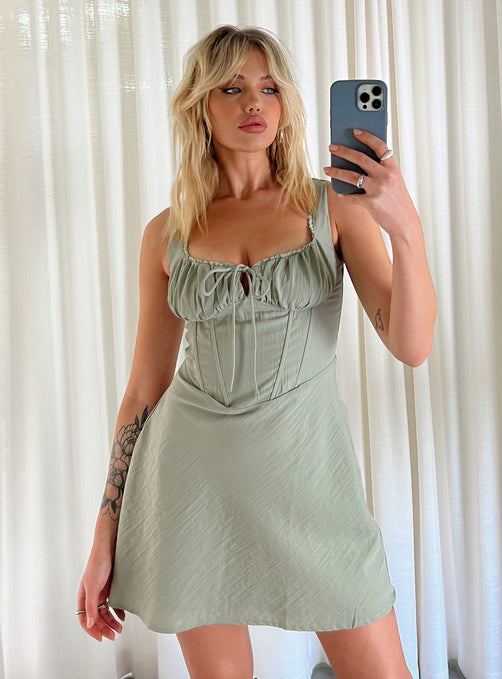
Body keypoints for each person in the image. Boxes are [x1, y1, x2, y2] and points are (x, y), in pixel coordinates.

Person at [77, 25, 436, 679]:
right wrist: (105, 535)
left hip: (310, 485)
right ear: (199, 108)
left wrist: (405, 227)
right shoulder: (167, 233)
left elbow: (412, 347)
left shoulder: (334, 209)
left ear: (287, 105)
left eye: (269, 87)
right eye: (231, 88)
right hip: (192, 490)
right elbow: (144, 389)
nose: (253, 102)